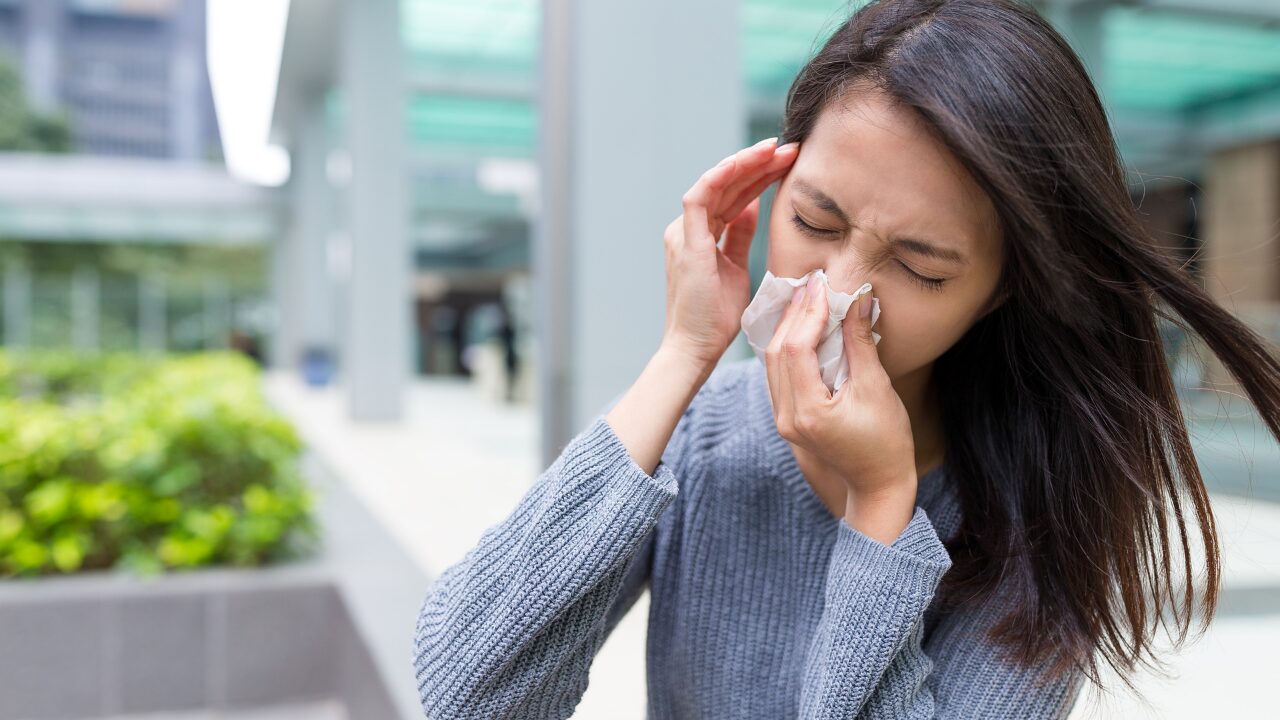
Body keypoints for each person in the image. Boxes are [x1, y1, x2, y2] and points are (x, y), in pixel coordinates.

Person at [412, 1, 1280, 717]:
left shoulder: (1040, 518)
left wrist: (882, 507)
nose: (836, 294)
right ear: (769, 186)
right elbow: (466, 692)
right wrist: (682, 356)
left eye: (919, 267)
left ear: (1003, 289)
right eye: (814, 223)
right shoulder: (702, 439)